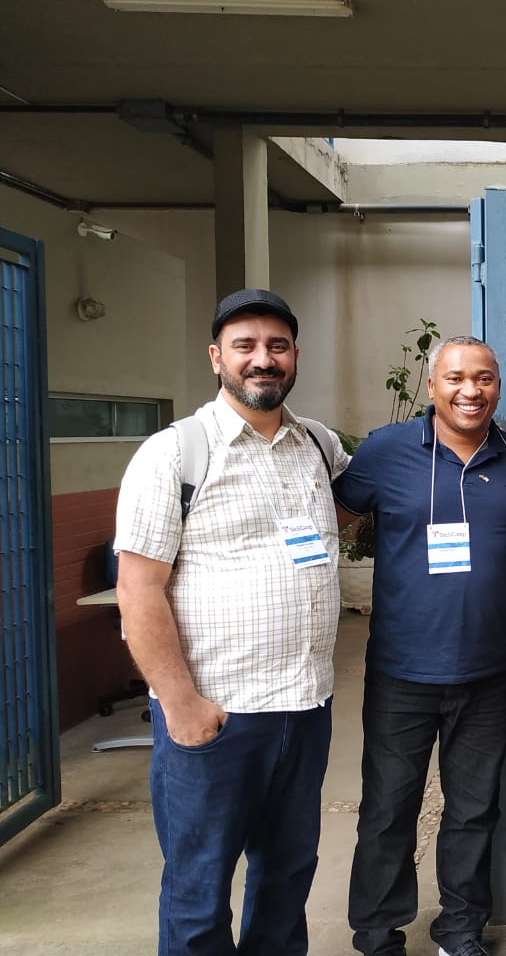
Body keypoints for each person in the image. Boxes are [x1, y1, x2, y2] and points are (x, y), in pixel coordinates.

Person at [114, 287, 350, 956]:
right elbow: (138, 589)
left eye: (277, 346)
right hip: (216, 717)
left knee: (285, 879)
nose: (262, 360)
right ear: (217, 358)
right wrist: (183, 706)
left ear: (295, 356)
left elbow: (349, 517)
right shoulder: (174, 455)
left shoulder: (318, 446)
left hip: (304, 707)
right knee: (198, 891)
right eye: (245, 346)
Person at [337, 335, 506, 956]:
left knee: (474, 810)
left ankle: (460, 929)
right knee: (389, 810)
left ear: (497, 388)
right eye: (456, 378)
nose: (470, 390)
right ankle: (377, 933)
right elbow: (336, 518)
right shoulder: (384, 451)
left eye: (483, 379)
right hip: (402, 670)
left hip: (486, 669)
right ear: (432, 387)